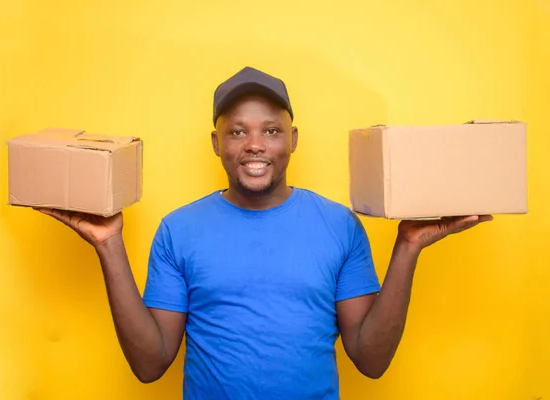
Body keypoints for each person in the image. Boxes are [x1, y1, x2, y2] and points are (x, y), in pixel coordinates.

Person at [36, 66, 492, 399]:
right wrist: (108, 244)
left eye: (271, 130)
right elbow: (150, 364)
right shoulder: (179, 229)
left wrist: (409, 245)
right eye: (237, 131)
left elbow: (371, 362)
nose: (254, 144)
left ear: (293, 138)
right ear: (217, 144)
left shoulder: (339, 225)